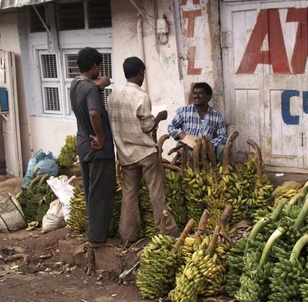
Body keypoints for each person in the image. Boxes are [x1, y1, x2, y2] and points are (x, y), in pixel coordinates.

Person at [107, 57, 178, 243]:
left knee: (129, 194)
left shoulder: (112, 96)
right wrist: (160, 117)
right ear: (140, 73)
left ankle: (128, 236)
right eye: (143, 73)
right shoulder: (141, 96)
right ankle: (166, 230)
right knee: (156, 191)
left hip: (125, 153)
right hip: (145, 152)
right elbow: (147, 126)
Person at [69, 47, 116, 248]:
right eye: (99, 67)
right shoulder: (89, 89)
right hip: (98, 148)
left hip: (84, 146)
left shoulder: (76, 84)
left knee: (90, 192)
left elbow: (91, 86)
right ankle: (97, 238)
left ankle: (94, 232)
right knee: (101, 193)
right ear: (94, 66)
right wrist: (100, 137)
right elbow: (94, 113)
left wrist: (100, 83)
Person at [167, 82, 227, 162]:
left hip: (208, 150)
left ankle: (222, 171)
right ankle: (191, 169)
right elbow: (171, 127)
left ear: (208, 97)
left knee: (222, 148)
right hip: (188, 148)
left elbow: (222, 137)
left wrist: (208, 144)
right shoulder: (184, 111)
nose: (196, 96)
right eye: (195, 93)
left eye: (200, 93)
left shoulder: (216, 116)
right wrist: (181, 134)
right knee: (181, 147)